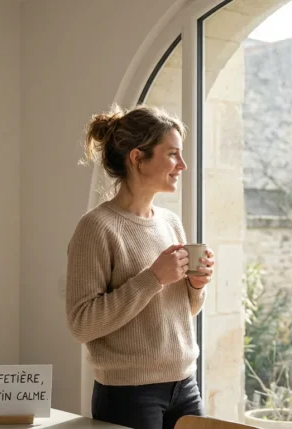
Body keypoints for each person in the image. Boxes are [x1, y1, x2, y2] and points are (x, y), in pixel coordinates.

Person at [65, 104, 214, 429]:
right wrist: (153, 279)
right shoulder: (96, 228)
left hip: (185, 386)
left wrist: (195, 287)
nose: (183, 165)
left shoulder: (171, 224)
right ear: (137, 157)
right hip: (129, 396)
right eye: (173, 154)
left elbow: (174, 314)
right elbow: (81, 324)